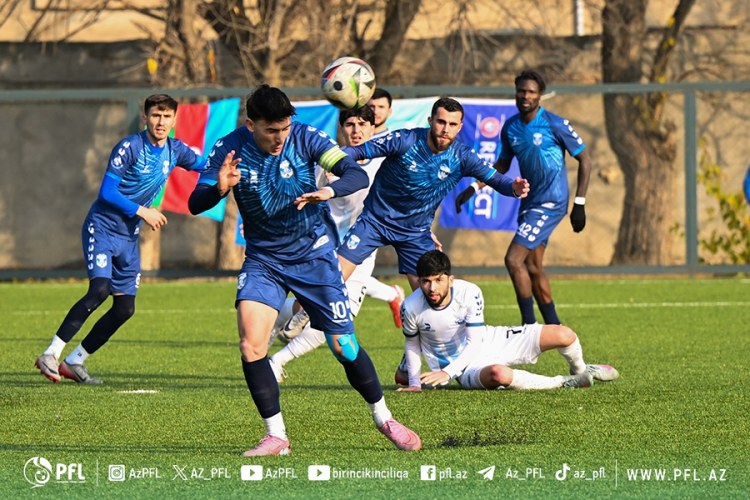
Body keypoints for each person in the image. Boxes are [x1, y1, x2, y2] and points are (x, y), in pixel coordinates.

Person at [187, 84, 421, 456]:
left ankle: (384, 418)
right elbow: (195, 203)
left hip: (314, 255)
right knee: (251, 344)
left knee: (343, 346)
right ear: (251, 125)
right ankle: (276, 436)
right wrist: (219, 187)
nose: (280, 137)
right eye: (271, 130)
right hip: (264, 259)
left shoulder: (306, 137)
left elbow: (355, 174)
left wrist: (329, 191)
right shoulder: (228, 149)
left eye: (284, 128)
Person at [281, 97, 530, 339]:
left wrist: (513, 188)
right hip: (375, 222)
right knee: (335, 274)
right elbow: (361, 150)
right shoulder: (405, 139)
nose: (445, 129)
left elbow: (494, 178)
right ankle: (308, 311)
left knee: (431, 296)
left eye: (452, 124)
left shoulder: (462, 156)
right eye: (441, 122)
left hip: (415, 232)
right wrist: (337, 162)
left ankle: (444, 346)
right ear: (430, 120)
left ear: (460, 127)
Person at [34, 94, 206, 385]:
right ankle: (50, 354)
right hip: (101, 228)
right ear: (145, 118)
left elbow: (204, 164)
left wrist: (232, 168)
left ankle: (75, 361)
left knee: (125, 308)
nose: (161, 122)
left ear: (175, 120)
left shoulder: (175, 150)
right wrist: (143, 211)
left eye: (166, 116)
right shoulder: (130, 147)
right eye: (155, 115)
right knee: (100, 289)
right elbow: (107, 193)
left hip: (128, 238)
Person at [455, 70, 592, 326]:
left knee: (513, 259)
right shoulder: (510, 127)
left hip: (551, 202)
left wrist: (579, 203)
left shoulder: (554, 123)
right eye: (521, 91)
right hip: (529, 203)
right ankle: (554, 328)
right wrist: (474, 187)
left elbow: (585, 159)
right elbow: (502, 165)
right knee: (533, 266)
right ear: (516, 92)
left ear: (540, 95)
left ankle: (528, 326)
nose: (526, 96)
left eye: (531, 92)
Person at [395, 250, 619, 391]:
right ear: (419, 281)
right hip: (463, 368)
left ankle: (580, 371)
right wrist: (415, 383)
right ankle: (562, 382)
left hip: (489, 340)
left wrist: (446, 373)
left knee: (564, 334)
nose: (432, 288)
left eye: (438, 280)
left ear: (450, 280)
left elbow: (475, 341)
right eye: (426, 281)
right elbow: (412, 344)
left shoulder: (469, 292)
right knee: (499, 374)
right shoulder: (411, 306)